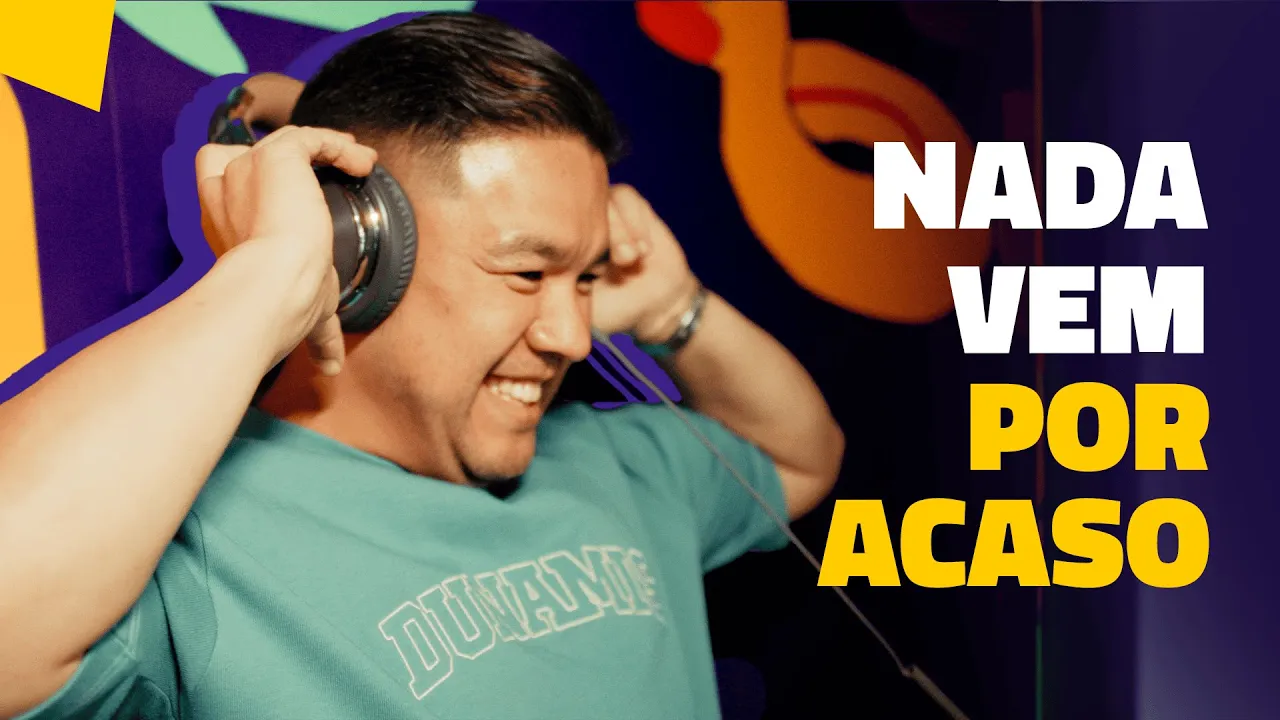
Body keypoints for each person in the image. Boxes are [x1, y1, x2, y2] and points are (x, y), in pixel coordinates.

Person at [0, 11, 844, 720]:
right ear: (357, 250)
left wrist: (674, 310)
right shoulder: (184, 538)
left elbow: (803, 458)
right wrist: (272, 274)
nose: (574, 337)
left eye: (585, 279)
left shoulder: (613, 460)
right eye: (528, 272)